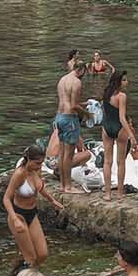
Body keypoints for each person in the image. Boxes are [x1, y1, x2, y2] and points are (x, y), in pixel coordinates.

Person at [5, 145, 63, 267]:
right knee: (31, 258)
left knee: (42, 254)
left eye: (41, 163)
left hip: (32, 213)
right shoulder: (19, 174)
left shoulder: (36, 170)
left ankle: (22, 271)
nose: (40, 166)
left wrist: (52, 200)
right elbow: (6, 198)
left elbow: (40, 188)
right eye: (37, 163)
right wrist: (14, 219)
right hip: (18, 215)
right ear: (29, 160)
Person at [100, 70, 138, 199]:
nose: (127, 82)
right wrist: (131, 135)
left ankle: (107, 194)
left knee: (107, 162)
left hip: (106, 127)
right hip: (119, 129)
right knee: (121, 163)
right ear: (118, 81)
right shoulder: (122, 96)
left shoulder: (106, 94)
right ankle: (119, 194)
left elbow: (105, 111)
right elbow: (122, 119)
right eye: (124, 80)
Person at [53, 53, 87, 196]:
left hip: (59, 117)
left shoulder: (62, 80)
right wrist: (87, 113)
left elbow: (66, 101)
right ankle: (68, 186)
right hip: (69, 119)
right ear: (81, 70)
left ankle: (62, 185)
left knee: (61, 154)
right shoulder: (76, 82)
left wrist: (85, 103)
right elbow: (73, 106)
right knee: (68, 155)